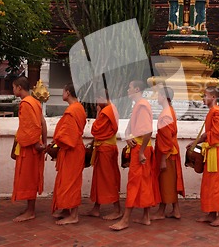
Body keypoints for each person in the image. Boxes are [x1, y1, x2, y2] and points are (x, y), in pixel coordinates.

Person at [110, 80, 155, 231]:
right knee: (144, 182)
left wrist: (141, 152)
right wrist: (128, 136)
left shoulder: (141, 105)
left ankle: (125, 219)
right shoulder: (139, 105)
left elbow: (148, 131)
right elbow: (136, 130)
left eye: (129, 87)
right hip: (141, 147)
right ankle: (146, 217)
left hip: (140, 150)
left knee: (134, 183)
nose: (128, 90)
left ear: (136, 89)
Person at [191, 86, 219, 227]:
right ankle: (211, 213)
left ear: (213, 97)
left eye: (205, 95)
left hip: (216, 152)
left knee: (216, 184)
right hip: (212, 152)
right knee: (209, 183)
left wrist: (199, 140)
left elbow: (217, 134)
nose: (203, 98)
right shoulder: (214, 111)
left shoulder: (216, 112)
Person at [11, 76, 47, 222]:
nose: (13, 90)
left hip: (30, 146)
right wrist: (44, 142)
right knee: (30, 177)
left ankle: (30, 211)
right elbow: (42, 123)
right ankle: (29, 208)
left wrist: (36, 144)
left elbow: (31, 126)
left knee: (28, 178)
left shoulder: (26, 103)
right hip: (34, 144)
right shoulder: (35, 102)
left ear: (19, 87)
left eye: (13, 87)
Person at [51, 83, 87, 225]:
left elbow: (68, 136)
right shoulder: (78, 108)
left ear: (67, 92)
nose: (62, 94)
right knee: (65, 180)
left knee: (71, 182)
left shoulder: (73, 110)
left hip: (73, 149)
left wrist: (57, 141)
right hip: (73, 149)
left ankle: (74, 215)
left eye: (63, 91)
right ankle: (66, 210)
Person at [86, 90, 122, 220]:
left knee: (107, 178)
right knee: (99, 178)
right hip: (106, 146)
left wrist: (98, 113)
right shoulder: (112, 109)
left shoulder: (106, 112)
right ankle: (96, 208)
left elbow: (95, 129)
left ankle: (117, 209)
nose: (96, 101)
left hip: (105, 148)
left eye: (97, 98)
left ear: (103, 97)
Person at [151, 86, 185, 220]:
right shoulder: (169, 111)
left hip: (167, 153)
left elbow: (165, 137)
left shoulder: (166, 114)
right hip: (170, 151)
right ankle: (175, 210)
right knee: (170, 182)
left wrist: (163, 158)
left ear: (164, 97)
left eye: (159, 95)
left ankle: (161, 211)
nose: (157, 98)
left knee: (165, 182)